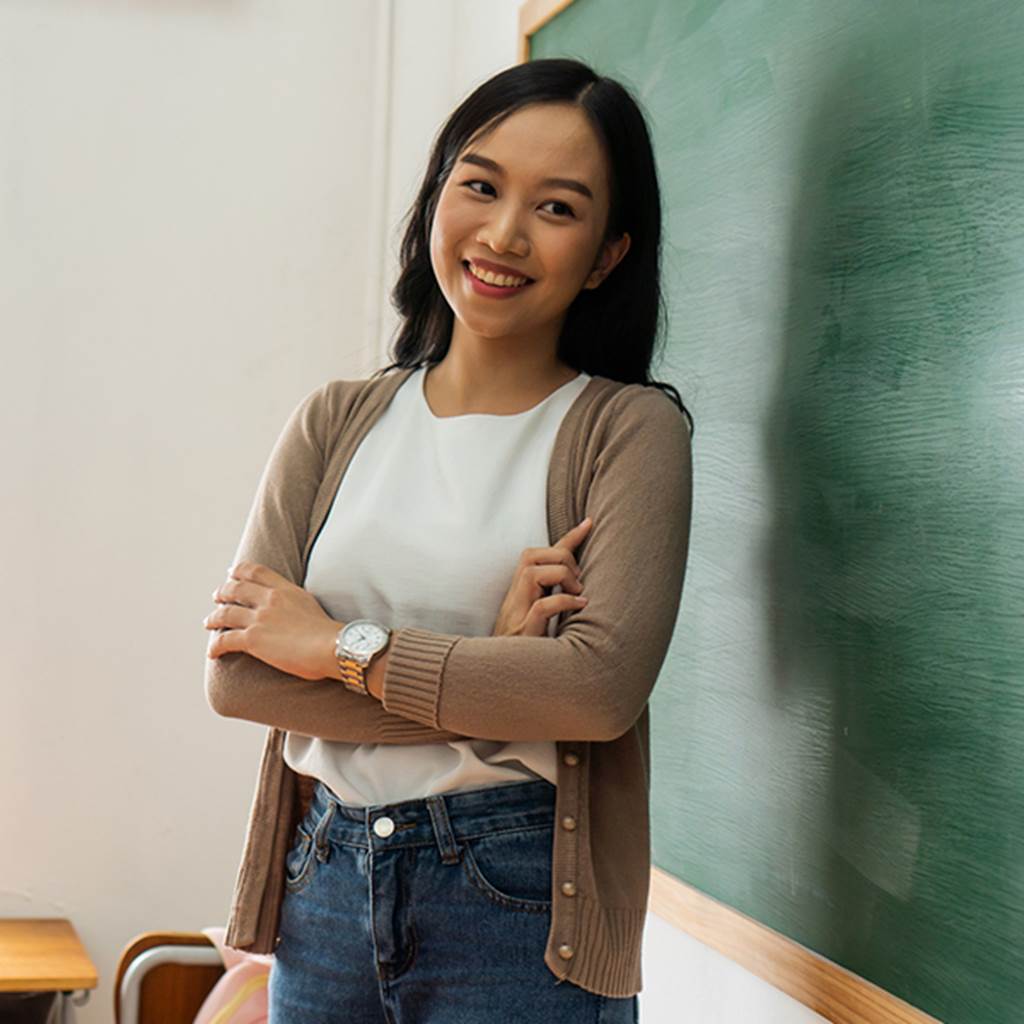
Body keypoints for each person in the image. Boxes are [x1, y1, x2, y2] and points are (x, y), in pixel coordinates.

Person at [203, 57, 694, 1023]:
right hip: (325, 884)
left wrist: (332, 645)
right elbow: (240, 678)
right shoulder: (333, 421)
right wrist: (503, 674)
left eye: (557, 208)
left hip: (515, 903)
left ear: (606, 255)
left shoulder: (628, 432)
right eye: (479, 185)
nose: (504, 233)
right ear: (436, 198)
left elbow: (596, 693)